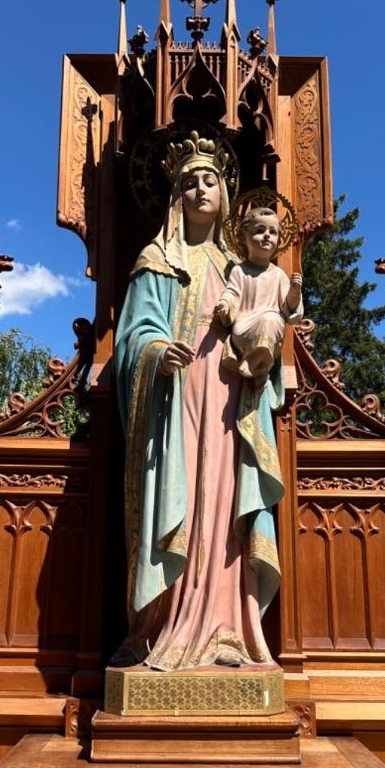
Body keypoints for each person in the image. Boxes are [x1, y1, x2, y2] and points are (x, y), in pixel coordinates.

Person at [112, 132, 286, 671]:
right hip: (175, 400)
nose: (201, 188)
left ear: (226, 194)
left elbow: (265, 323)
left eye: (210, 180)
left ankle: (226, 630)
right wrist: (156, 351)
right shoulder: (156, 258)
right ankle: (159, 629)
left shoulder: (239, 265)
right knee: (181, 499)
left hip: (231, 400)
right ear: (175, 195)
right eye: (190, 182)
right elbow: (132, 335)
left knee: (224, 502)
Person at [214, 206, 304, 389]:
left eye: (272, 232)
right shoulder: (240, 271)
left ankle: (257, 365)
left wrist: (294, 291)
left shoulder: (278, 274)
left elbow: (289, 308)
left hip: (271, 328)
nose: (266, 236)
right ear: (244, 238)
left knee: (271, 319)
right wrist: (225, 304)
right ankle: (260, 368)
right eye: (259, 230)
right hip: (246, 326)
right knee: (264, 322)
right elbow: (232, 292)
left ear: (279, 240)